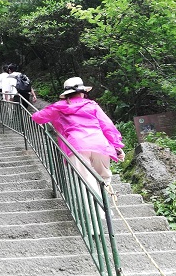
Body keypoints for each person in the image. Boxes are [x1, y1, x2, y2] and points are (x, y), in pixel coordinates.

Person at [30, 77, 125, 217]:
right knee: (103, 178)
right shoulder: (92, 105)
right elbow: (107, 126)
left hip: (76, 147)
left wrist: (57, 117)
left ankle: (97, 215)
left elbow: (37, 117)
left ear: (66, 94)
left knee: (86, 181)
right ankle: (105, 207)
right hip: (100, 144)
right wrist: (117, 146)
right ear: (82, 93)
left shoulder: (59, 107)